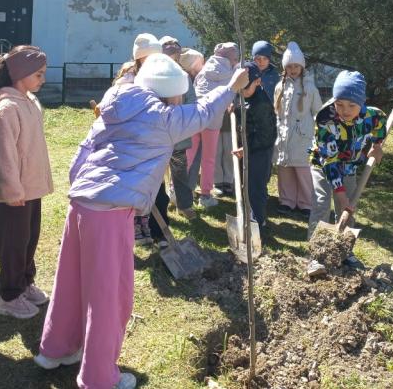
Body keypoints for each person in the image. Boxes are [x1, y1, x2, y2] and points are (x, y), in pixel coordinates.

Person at [33, 53, 249, 389]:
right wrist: (232, 87)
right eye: (180, 95)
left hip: (82, 202)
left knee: (71, 279)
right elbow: (205, 112)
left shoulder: (115, 102)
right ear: (172, 93)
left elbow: (85, 148)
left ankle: (55, 349)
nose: (182, 101)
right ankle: (98, 377)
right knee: (109, 295)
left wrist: (81, 188)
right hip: (111, 211)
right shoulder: (165, 118)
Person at [0, 46, 54, 319]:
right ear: (21, 73)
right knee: (13, 243)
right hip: (15, 191)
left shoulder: (29, 100)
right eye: (38, 74)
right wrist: (12, 190)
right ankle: (9, 296)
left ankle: (25, 282)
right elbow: (5, 154)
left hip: (31, 187)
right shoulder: (7, 107)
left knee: (29, 238)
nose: (42, 80)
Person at [307, 71, 387, 272]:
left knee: (349, 207)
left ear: (362, 102)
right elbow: (330, 162)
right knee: (321, 203)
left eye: (352, 105)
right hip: (324, 165)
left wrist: (377, 146)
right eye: (339, 104)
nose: (345, 110)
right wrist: (340, 195)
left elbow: (381, 125)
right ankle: (315, 256)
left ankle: (345, 250)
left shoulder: (372, 116)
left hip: (349, 165)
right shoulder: (325, 119)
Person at [114, 32, 163, 245]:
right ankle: (133, 224)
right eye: (149, 57)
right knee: (135, 184)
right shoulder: (128, 80)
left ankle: (147, 223)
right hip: (132, 140)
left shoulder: (160, 77)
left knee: (152, 185)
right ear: (139, 58)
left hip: (154, 139)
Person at [273, 42, 322, 217]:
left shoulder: (310, 88)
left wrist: (318, 133)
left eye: (296, 66)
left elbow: (318, 112)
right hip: (283, 135)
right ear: (284, 68)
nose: (293, 70)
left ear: (302, 67)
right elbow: (276, 111)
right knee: (285, 170)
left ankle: (306, 203)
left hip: (303, 137)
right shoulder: (280, 87)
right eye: (289, 66)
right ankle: (287, 201)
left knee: (303, 171)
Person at [190, 42, 241, 208]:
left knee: (188, 155)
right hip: (213, 120)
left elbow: (195, 88)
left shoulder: (205, 69)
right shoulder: (232, 73)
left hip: (195, 116)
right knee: (209, 158)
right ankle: (205, 195)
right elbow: (232, 91)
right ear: (232, 58)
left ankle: (176, 191)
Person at [232, 61, 277, 230]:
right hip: (246, 147)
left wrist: (247, 148)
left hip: (260, 151)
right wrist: (233, 108)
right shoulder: (241, 95)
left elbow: (266, 135)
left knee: (255, 187)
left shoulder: (261, 104)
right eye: (239, 88)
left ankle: (258, 222)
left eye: (245, 87)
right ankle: (247, 215)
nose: (242, 92)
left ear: (257, 82)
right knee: (244, 184)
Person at [163, 38, 198, 220]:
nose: (172, 60)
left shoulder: (183, 76)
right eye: (169, 56)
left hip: (179, 132)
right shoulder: (153, 75)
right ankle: (157, 206)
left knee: (180, 170)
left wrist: (184, 115)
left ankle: (184, 205)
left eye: (175, 56)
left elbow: (192, 100)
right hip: (159, 133)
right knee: (156, 173)